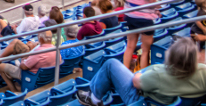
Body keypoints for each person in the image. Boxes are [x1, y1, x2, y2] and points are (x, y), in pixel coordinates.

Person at [77, 37, 206, 106]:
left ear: (172, 57)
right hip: (174, 100)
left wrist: (140, 74)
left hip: (142, 101)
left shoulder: (161, 75)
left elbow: (136, 81)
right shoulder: (203, 72)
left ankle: (94, 99)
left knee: (111, 64)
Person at [123, 0, 160, 69]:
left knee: (130, 46)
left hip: (130, 17)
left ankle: (124, 73)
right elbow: (154, 4)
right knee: (145, 51)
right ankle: (143, 77)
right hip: (145, 20)